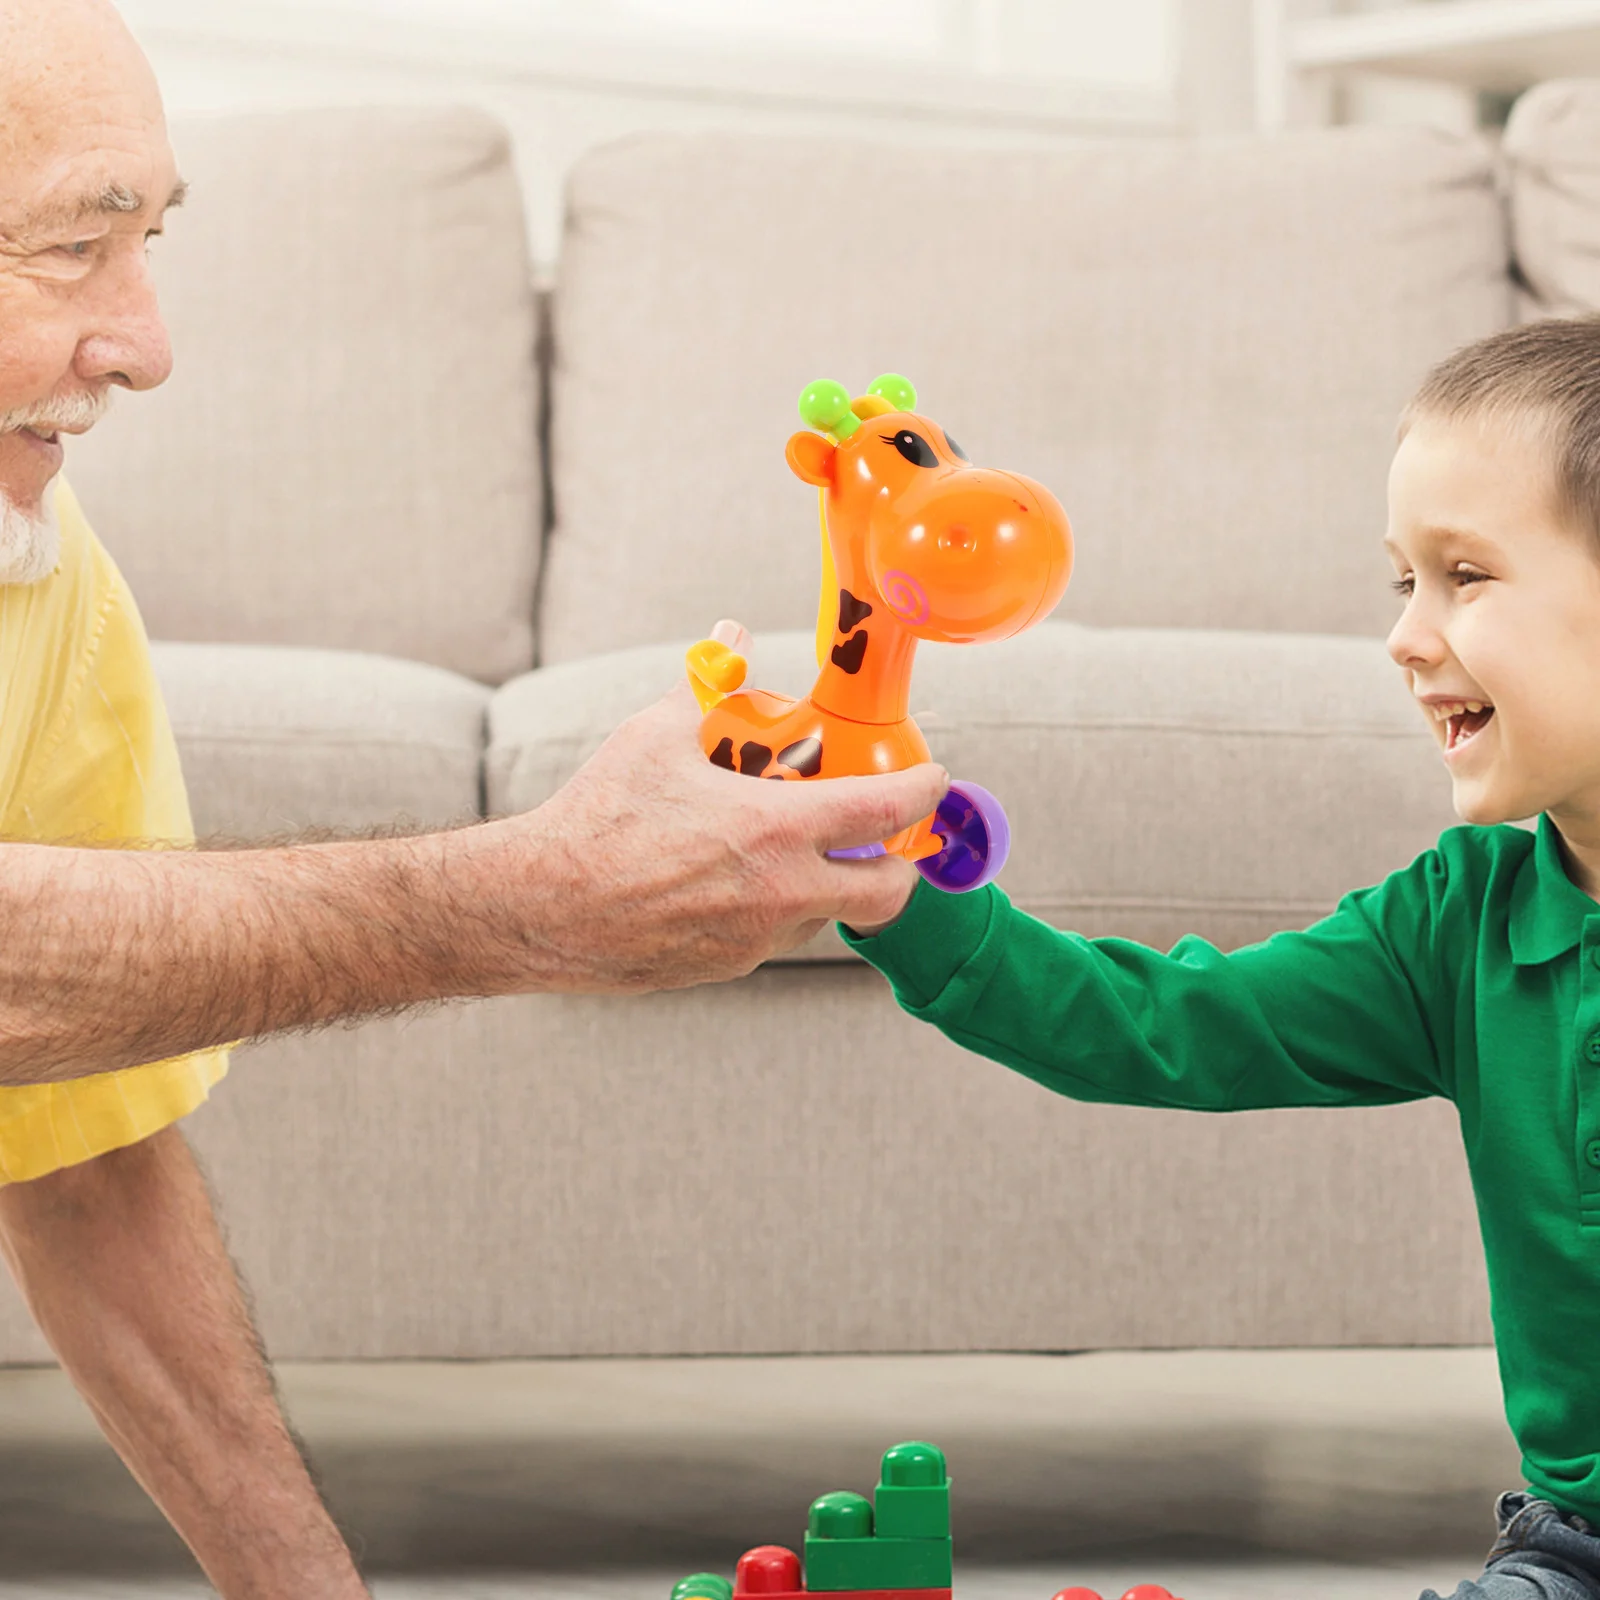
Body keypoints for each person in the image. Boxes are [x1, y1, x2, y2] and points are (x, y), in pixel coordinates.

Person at [0, 1, 945, 1593]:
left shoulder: (46, 588)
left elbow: (79, 1133)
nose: (148, 345)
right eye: (67, 249)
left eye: (150, 238)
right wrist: (534, 899)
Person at [841, 313, 1600, 1600]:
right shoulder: (1456, 924)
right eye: (1400, 582)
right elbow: (1167, 1023)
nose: (1406, 637)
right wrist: (896, 899)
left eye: (1463, 576)